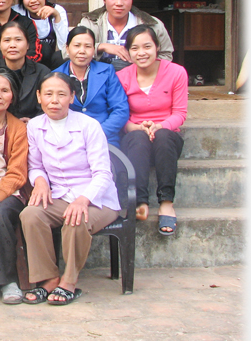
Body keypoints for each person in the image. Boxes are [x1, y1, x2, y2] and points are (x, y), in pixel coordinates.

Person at [20, 72, 120, 305]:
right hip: (61, 195)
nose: (54, 100)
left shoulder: (89, 125)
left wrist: (83, 200)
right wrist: (41, 182)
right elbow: (35, 166)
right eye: (48, 94)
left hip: (97, 199)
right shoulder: (35, 126)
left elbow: (103, 173)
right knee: (31, 214)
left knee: (76, 219)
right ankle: (48, 279)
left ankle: (69, 282)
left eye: (61, 94)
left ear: (72, 97)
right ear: (38, 97)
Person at [117, 24, 187, 235]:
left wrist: (160, 126)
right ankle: (140, 201)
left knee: (164, 137)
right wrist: (136, 127)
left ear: (157, 47)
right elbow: (121, 115)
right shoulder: (122, 76)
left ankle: (166, 202)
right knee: (138, 138)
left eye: (147, 46)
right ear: (128, 52)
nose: (142, 53)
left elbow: (180, 113)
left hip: (167, 135)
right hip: (135, 134)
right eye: (135, 48)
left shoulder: (176, 72)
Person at [78, 0, 173, 71]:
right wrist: (102, 47)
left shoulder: (153, 25)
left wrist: (142, 67)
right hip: (98, 79)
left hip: (138, 80)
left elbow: (166, 55)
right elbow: (69, 51)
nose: (119, 3)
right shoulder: (90, 23)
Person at [53, 26, 129, 147]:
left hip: (105, 137)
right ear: (67, 48)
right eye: (77, 46)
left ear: (94, 50)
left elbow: (120, 109)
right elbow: (53, 112)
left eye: (88, 46)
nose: (82, 51)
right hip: (69, 141)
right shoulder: (56, 76)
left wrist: (98, 133)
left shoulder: (107, 71)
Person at [0, 20, 50, 122]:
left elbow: (46, 106)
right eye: (7, 40)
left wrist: (33, 123)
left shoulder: (42, 72)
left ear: (28, 44)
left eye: (18, 40)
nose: (12, 45)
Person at [12, 0, 68, 69]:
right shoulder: (17, 11)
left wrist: (56, 16)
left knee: (56, 55)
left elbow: (65, 46)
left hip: (50, 64)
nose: (33, 0)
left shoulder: (57, 10)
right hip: (27, 62)